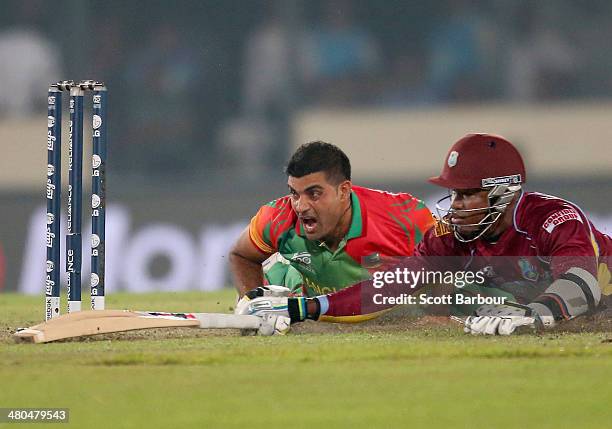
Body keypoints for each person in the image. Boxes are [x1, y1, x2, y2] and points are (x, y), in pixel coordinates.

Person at [239, 134, 612, 335]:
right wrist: (305, 308)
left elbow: (583, 282)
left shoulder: (553, 218)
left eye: (468, 194)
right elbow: (389, 286)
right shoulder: (453, 237)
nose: (458, 204)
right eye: (455, 194)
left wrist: (534, 315)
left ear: (505, 190)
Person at [230, 141, 434, 322]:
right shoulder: (276, 217)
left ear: (344, 191)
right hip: (298, 294)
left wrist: (440, 314)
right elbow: (241, 255)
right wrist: (252, 302)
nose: (300, 206)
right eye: (294, 193)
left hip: (381, 309)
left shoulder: (405, 218)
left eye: (314, 193)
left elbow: (449, 263)